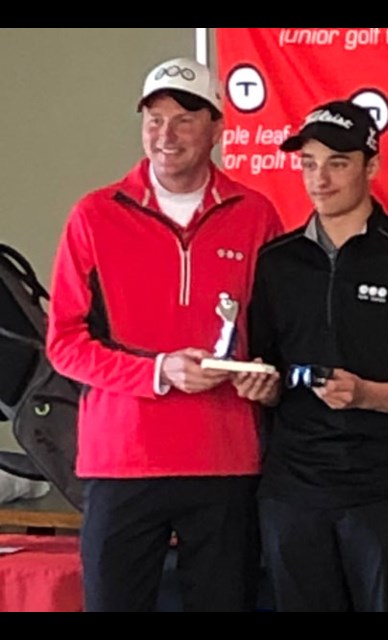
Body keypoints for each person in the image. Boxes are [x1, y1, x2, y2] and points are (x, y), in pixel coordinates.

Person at [46, 57, 283, 611]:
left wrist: (266, 382)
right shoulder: (95, 215)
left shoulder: (256, 214)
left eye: (184, 119)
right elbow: (63, 342)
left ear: (218, 129)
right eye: (153, 119)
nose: (165, 135)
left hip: (224, 459)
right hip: (121, 460)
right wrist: (155, 371)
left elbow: (272, 335)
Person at [245, 100, 388, 612]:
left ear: (371, 166)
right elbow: (262, 367)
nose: (320, 178)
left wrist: (367, 394)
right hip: (293, 491)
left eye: (337, 162)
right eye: (309, 163)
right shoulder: (275, 262)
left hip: (385, 492)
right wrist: (259, 386)